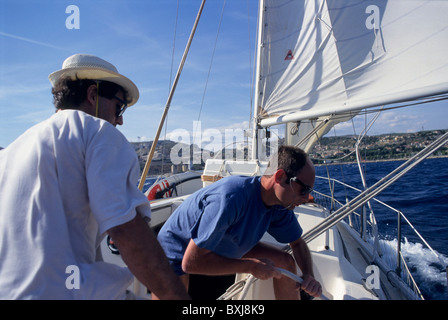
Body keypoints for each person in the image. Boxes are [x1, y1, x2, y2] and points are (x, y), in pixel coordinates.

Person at [0, 54, 189, 300]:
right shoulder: (97, 132)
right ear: (92, 95)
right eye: (119, 106)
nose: (120, 120)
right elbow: (125, 230)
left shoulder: (12, 150)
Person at [157, 145, 322, 300]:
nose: (307, 198)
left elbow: (298, 244)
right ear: (280, 177)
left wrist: (308, 275)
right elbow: (190, 263)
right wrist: (250, 266)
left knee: (285, 262)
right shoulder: (231, 198)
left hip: (227, 241)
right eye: (304, 190)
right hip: (178, 250)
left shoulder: (281, 206)